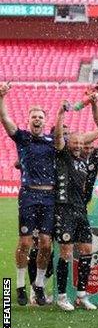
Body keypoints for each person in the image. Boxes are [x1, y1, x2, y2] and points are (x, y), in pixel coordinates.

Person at [54, 102, 98, 311]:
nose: (79, 145)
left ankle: (81, 294)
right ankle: (62, 296)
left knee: (87, 250)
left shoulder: (83, 160)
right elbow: (61, 139)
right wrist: (61, 114)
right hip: (64, 210)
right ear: (68, 142)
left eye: (81, 143)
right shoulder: (62, 156)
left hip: (81, 211)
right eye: (75, 142)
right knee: (65, 252)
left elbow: (87, 140)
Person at [0, 83, 55, 306]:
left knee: (46, 244)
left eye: (40, 117)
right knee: (25, 243)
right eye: (34, 116)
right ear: (29, 120)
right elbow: (4, 118)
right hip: (29, 196)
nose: (37, 120)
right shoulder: (22, 138)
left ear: (44, 120)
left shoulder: (53, 142)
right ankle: (21, 286)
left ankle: (39, 286)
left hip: (49, 197)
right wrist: (2, 97)